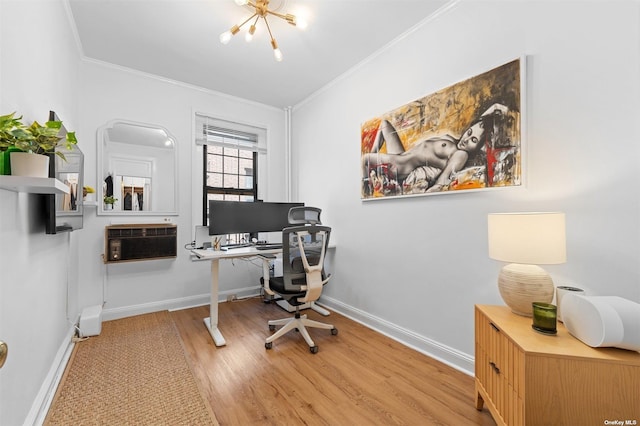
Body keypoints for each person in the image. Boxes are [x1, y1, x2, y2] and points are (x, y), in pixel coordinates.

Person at [362, 103, 507, 195]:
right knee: (384, 124)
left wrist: (432, 189)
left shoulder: (460, 154)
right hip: (402, 155)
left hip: (402, 165)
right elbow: (487, 116)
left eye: (473, 141)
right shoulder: (456, 141)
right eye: (469, 133)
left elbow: (443, 179)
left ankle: (365, 186)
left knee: (364, 160)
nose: (466, 139)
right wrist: (495, 109)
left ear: (479, 146)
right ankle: (374, 153)